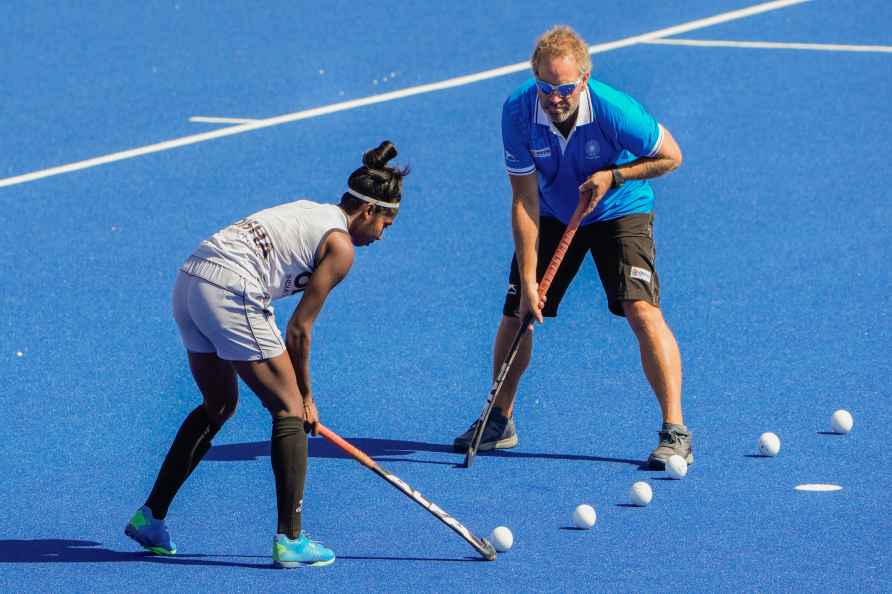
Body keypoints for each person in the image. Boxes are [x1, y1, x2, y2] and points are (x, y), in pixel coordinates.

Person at [124, 141, 408, 568]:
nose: (382, 236)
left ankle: (151, 517)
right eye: (386, 223)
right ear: (368, 212)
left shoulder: (313, 210)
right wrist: (306, 397)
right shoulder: (341, 246)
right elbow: (299, 330)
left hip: (191, 279)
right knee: (288, 409)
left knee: (219, 405)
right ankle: (291, 540)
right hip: (231, 288)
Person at [452, 25, 690, 469]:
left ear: (584, 80)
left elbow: (671, 156)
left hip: (619, 207)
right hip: (553, 209)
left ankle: (674, 430)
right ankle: (501, 420)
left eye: (564, 88)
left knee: (640, 309)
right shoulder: (519, 112)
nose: (555, 97)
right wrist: (527, 282)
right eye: (546, 87)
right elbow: (523, 200)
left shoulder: (615, 110)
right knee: (516, 314)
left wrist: (613, 176)